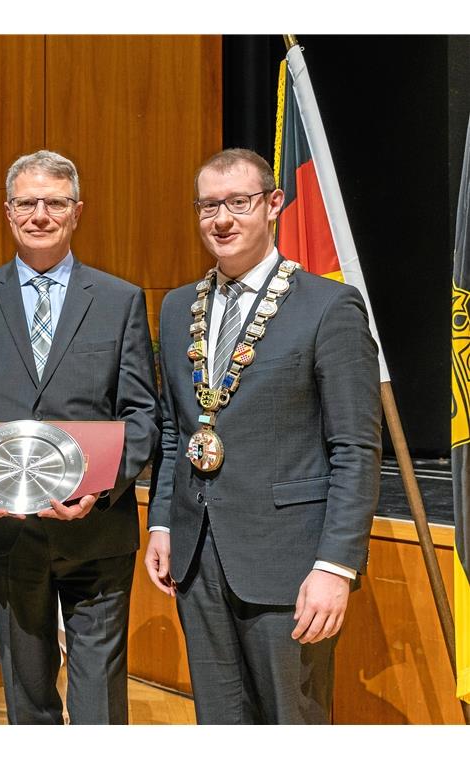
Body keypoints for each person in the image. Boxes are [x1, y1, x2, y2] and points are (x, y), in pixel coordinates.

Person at [145, 148, 382, 723]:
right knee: (220, 721)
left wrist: (335, 566)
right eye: (208, 206)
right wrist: (160, 521)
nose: (221, 219)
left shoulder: (329, 307)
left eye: (238, 203)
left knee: (290, 722)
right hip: (197, 558)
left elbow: (355, 447)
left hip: (291, 566)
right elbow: (177, 429)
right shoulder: (178, 308)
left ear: (274, 205)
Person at [0, 150, 159, 724]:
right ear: (8, 212)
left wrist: (101, 488)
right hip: (6, 531)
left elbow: (141, 414)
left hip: (96, 528)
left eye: (54, 202)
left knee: (100, 696)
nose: (40, 214)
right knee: (27, 691)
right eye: (26, 202)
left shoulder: (120, 300)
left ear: (77, 211)